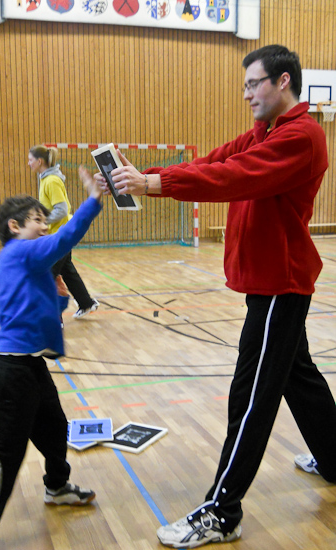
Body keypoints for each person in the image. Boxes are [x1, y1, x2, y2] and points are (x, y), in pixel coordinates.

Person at [96, 45, 336, 548]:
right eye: (245, 85)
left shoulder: (302, 137)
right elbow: (212, 162)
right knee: (300, 377)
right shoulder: (262, 134)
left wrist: (154, 183)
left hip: (281, 286)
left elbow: (232, 177)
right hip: (267, 284)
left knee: (251, 398)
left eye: (255, 83)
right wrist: (135, 177)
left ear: (284, 81)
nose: (247, 93)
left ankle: (223, 511)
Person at [0, 167, 102, 550]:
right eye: (37, 220)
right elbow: (66, 236)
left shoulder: (25, 263)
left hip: (32, 365)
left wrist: (61, 296)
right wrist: (93, 200)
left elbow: (48, 311)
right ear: (15, 226)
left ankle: (56, 487)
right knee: (7, 452)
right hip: (13, 371)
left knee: (55, 428)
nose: (44, 226)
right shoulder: (19, 252)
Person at [28, 144, 99, 320]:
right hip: (57, 235)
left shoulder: (51, 181)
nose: (28, 163)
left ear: (39, 161)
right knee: (67, 271)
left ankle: (55, 319)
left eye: (30, 160)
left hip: (59, 236)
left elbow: (61, 209)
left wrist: (41, 223)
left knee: (48, 275)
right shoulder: (45, 179)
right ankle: (86, 303)